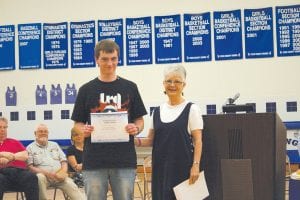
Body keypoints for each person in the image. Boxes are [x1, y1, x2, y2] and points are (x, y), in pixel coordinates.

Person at [71, 39, 147, 200]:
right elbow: (77, 123)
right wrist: (82, 130)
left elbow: (140, 120)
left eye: (113, 58)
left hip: (124, 160)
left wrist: (136, 128)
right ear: (96, 60)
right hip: (94, 161)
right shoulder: (86, 90)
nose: (109, 63)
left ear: (118, 59)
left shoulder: (130, 87)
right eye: (105, 59)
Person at [135, 65, 204, 200]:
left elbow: (198, 141)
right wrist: (132, 140)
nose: (172, 85)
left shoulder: (192, 109)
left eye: (177, 81)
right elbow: (150, 140)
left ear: (184, 84)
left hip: (183, 170)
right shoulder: (157, 111)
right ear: (163, 84)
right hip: (160, 171)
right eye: (168, 81)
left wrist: (195, 166)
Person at [26, 123, 84, 200]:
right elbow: (30, 167)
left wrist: (63, 172)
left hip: (59, 177)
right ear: (35, 133)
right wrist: (48, 174)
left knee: (74, 189)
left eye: (45, 131)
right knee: (39, 177)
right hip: (44, 179)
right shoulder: (30, 148)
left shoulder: (55, 145)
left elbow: (63, 161)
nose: (43, 133)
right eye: (40, 131)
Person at [0, 117, 39, 200]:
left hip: (19, 172)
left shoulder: (15, 142)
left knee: (31, 177)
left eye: (5, 127)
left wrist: (12, 157)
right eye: (0, 127)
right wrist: (2, 154)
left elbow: (25, 156)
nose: (3, 130)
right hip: (2, 174)